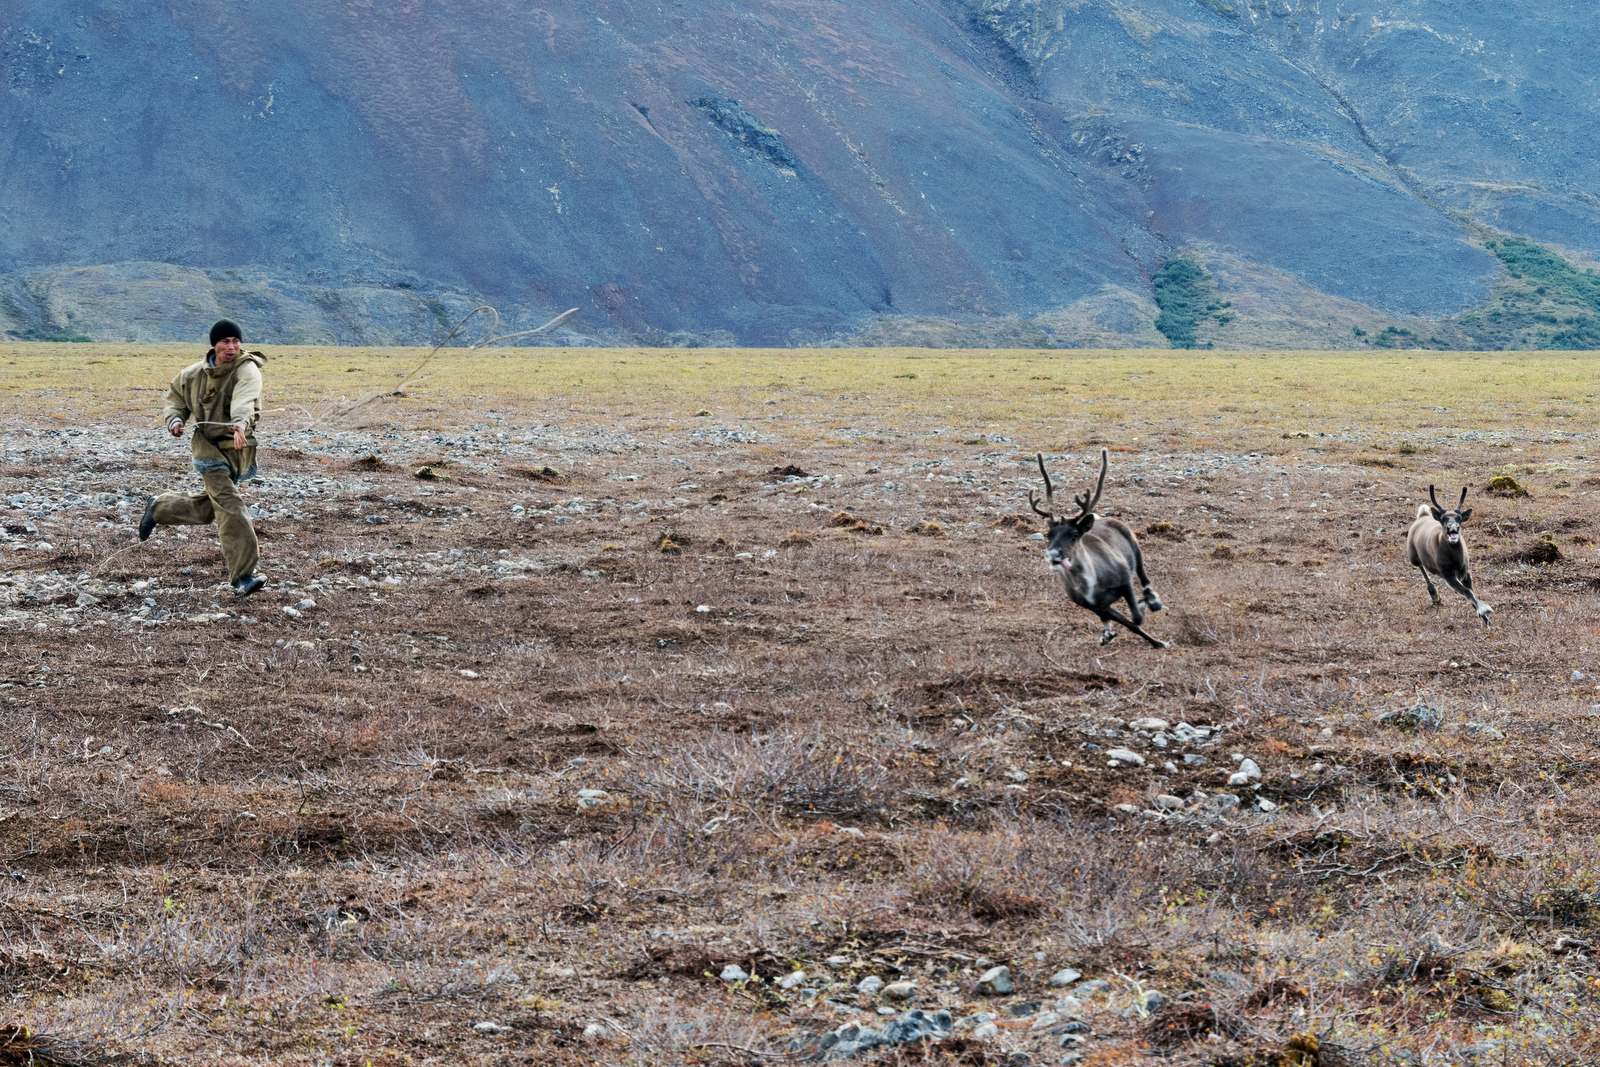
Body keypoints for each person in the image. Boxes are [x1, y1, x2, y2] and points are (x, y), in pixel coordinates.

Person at [138, 319, 267, 596]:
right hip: (206, 447)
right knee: (230, 506)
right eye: (225, 341)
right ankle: (243, 576)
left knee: (212, 506)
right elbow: (176, 398)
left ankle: (158, 508)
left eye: (236, 341)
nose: (231, 347)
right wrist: (175, 420)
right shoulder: (192, 374)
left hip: (237, 444)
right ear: (214, 345)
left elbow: (245, 399)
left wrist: (241, 422)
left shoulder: (248, 369)